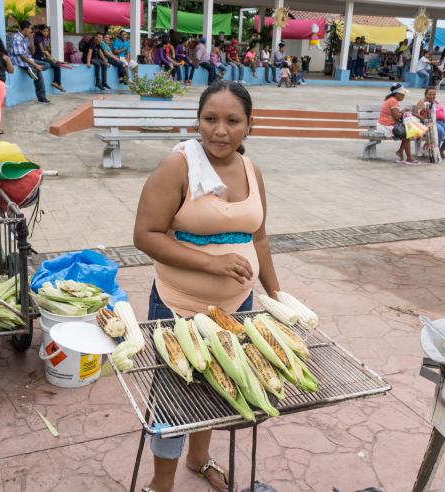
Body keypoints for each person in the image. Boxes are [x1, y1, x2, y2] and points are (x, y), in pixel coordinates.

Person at [133, 80, 280, 492]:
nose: (220, 130)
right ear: (197, 121)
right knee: (174, 397)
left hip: (238, 304)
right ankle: (161, 484)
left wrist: (277, 295)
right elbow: (146, 235)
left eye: (232, 121)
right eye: (210, 119)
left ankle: (199, 459)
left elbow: (260, 238)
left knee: (221, 384)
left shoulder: (253, 171)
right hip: (176, 305)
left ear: (249, 125)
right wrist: (211, 263)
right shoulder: (177, 166)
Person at [377, 83, 418, 165]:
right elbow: (397, 117)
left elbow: (395, 116)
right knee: (407, 134)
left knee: (407, 133)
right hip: (386, 126)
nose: (404, 95)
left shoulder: (392, 100)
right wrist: (403, 111)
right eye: (403, 94)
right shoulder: (393, 101)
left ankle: (400, 152)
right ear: (397, 93)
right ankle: (409, 158)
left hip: (386, 125)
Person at [10, 21, 50, 104]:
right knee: (38, 73)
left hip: (28, 60)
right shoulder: (17, 38)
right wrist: (35, 65)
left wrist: (31, 39)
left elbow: (32, 52)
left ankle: (32, 69)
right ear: (25, 29)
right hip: (20, 61)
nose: (31, 31)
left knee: (47, 65)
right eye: (30, 29)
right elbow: (21, 56)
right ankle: (41, 98)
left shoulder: (26, 37)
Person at [415, 87, 445, 159]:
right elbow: (415, 113)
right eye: (430, 94)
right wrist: (424, 119)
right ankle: (435, 149)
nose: (432, 96)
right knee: (440, 131)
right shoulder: (422, 101)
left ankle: (441, 150)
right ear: (425, 94)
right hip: (429, 122)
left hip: (440, 122)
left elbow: (441, 113)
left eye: (434, 94)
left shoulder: (436, 102)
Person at [33, 25, 65, 92]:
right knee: (56, 66)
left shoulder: (41, 38)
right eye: (44, 31)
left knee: (56, 65)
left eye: (47, 31)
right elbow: (43, 51)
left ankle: (57, 83)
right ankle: (56, 83)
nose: (46, 33)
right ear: (41, 31)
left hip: (41, 57)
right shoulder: (38, 38)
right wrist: (52, 58)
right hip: (38, 58)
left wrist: (52, 59)